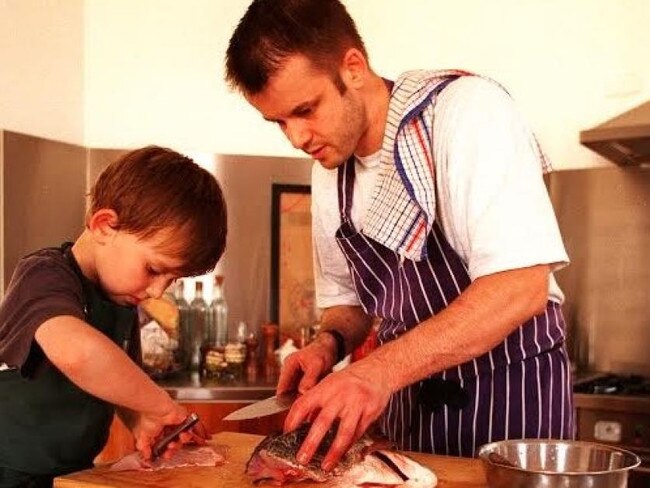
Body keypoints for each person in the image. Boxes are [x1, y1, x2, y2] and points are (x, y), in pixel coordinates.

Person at [226, 0, 573, 472]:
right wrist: (328, 343)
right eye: (279, 122)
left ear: (352, 68)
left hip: (512, 411)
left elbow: (520, 286)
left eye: (305, 110)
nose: (296, 138)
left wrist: (377, 371)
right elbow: (349, 307)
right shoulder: (331, 172)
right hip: (411, 416)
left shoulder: (465, 112)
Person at [0, 146, 227, 487]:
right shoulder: (44, 275)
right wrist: (160, 405)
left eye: (172, 279)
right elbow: (77, 353)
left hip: (72, 472)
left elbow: (122, 379)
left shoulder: (120, 301)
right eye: (153, 269)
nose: (157, 292)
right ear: (105, 226)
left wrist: (142, 422)